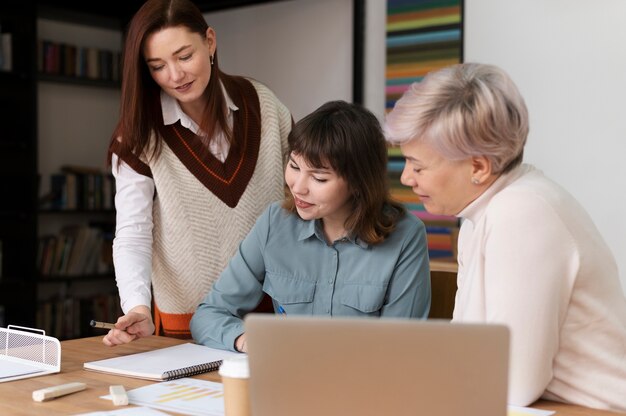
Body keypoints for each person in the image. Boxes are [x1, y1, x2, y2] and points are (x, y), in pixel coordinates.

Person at [384, 62, 626, 411]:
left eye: (418, 166)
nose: (407, 178)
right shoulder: (485, 212)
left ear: (478, 167)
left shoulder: (522, 213)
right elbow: (467, 350)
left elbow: (513, 382)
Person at [103, 0, 292, 346]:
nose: (175, 76)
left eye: (184, 56)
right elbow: (133, 233)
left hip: (272, 316)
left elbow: (300, 198)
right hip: (185, 325)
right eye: (157, 66)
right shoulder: (138, 135)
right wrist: (138, 306)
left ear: (210, 41)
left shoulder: (263, 104)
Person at [190, 100, 431, 352]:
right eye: (294, 166)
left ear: (359, 182)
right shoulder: (275, 223)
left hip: (363, 385)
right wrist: (244, 339)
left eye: (318, 178)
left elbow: (401, 346)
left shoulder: (406, 235)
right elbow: (209, 315)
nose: (298, 186)